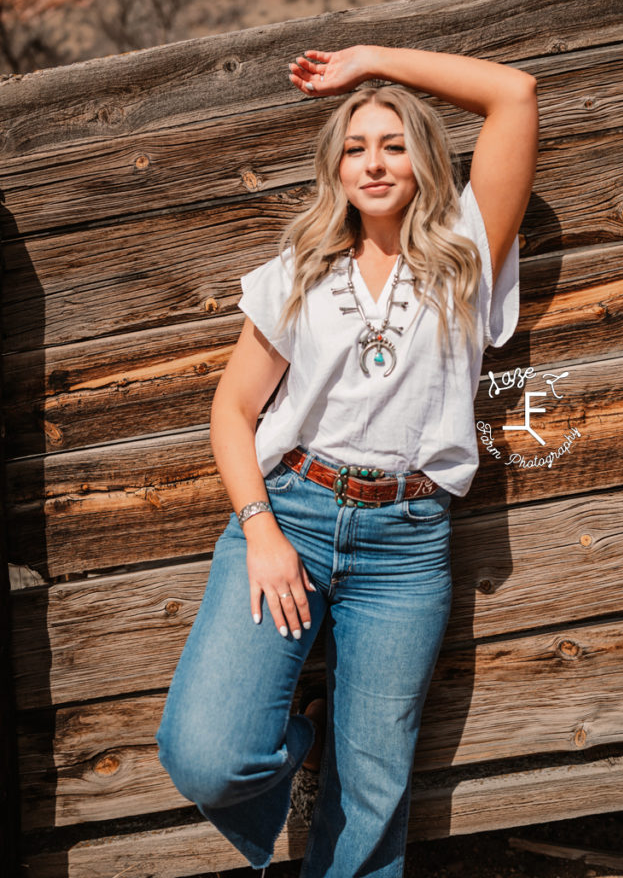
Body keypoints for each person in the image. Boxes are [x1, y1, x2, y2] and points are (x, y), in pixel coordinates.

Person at [155, 44, 538, 877]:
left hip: (405, 544)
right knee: (206, 755)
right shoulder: (298, 271)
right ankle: (305, 732)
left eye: (394, 143)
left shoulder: (467, 255)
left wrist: (365, 59)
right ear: (333, 169)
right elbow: (232, 409)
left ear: (425, 160)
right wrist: (260, 530)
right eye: (355, 146)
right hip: (289, 512)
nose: (373, 161)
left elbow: (513, 94)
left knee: (372, 792)